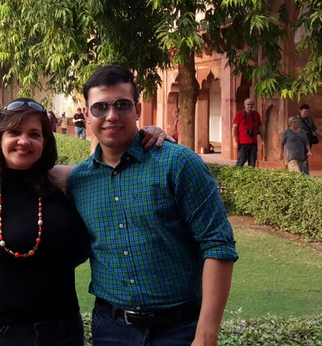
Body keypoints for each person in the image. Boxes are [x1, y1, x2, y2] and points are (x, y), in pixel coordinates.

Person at [61, 65, 238, 346]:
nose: (111, 116)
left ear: (138, 109)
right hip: (111, 329)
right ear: (86, 114)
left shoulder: (177, 163)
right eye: (100, 108)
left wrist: (206, 336)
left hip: (180, 329)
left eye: (122, 105)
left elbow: (218, 244)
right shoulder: (80, 180)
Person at [0, 98, 90, 345]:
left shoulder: (63, 184)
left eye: (34, 134)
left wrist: (149, 136)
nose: (24, 141)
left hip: (63, 330)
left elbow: (114, 164)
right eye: (14, 132)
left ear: (44, 143)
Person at [297, 104, 322, 175]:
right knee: (302, 157)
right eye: (305, 112)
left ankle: (304, 173)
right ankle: (303, 173)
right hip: (300, 140)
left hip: (308, 139)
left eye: (308, 112)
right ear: (300, 111)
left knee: (305, 156)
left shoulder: (309, 119)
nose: (307, 113)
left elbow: (314, 129)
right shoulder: (296, 120)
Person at [232, 98, 263, 167]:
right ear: (244, 105)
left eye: (252, 104)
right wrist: (234, 141)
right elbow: (234, 128)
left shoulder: (256, 114)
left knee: (252, 162)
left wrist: (263, 139)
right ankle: (237, 175)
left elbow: (260, 128)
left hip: (253, 142)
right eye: (248, 104)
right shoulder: (239, 114)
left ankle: (250, 176)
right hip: (242, 142)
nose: (250, 106)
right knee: (241, 160)